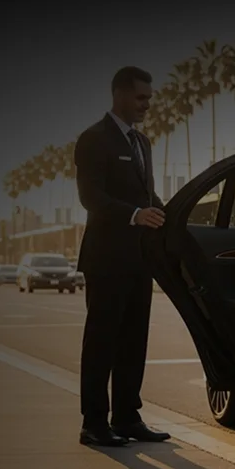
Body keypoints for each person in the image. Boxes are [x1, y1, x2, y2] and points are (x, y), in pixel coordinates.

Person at [73, 66, 172, 447]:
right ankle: (94, 424)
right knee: (102, 342)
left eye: (149, 97)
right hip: (106, 258)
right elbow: (90, 196)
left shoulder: (143, 142)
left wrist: (175, 216)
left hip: (138, 259)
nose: (147, 104)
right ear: (119, 95)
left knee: (134, 341)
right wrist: (134, 215)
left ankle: (128, 417)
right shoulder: (93, 139)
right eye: (141, 97)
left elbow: (147, 198)